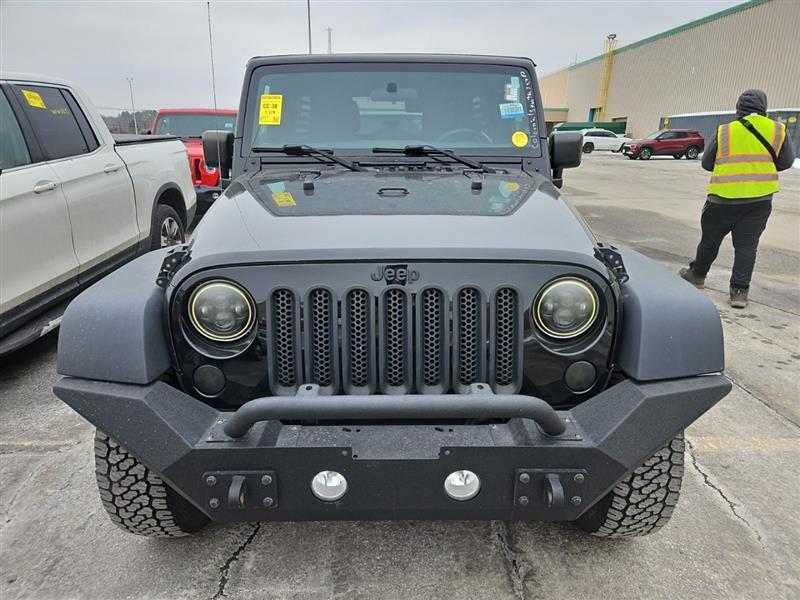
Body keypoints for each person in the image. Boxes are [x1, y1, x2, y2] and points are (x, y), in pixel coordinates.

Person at [679, 89, 795, 308]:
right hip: (759, 201)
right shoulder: (778, 130)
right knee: (747, 247)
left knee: (709, 240)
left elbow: (706, 163)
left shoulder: (725, 131)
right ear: (763, 107)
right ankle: (739, 292)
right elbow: (786, 161)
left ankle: (697, 275)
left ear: (738, 108)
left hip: (722, 198)